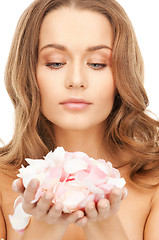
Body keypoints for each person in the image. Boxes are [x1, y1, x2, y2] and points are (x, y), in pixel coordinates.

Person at [0, 0, 159, 239]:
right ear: (28, 73)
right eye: (55, 63)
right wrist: (45, 229)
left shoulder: (154, 181)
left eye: (97, 63)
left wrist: (106, 227)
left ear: (123, 73)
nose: (76, 80)